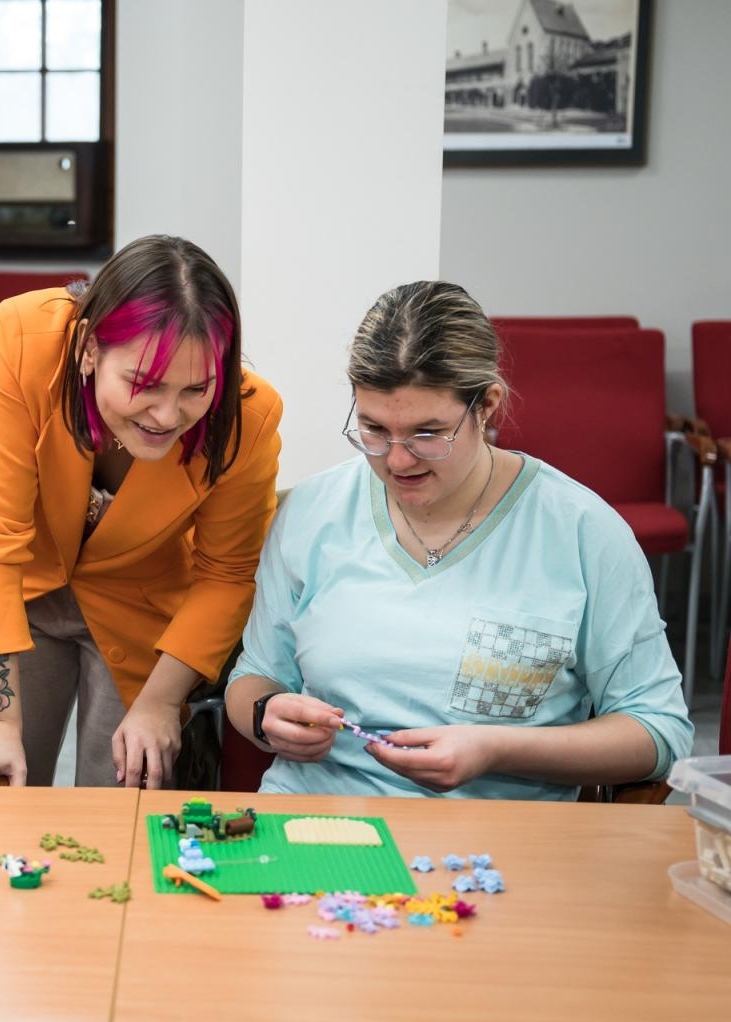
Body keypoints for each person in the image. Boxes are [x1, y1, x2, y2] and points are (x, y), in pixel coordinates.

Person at [225, 280, 694, 799]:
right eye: (374, 429)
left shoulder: (582, 532)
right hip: (316, 825)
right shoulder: (312, 514)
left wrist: (496, 749)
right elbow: (255, 677)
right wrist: (267, 713)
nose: (398, 461)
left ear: (487, 405)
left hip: (495, 848)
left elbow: (658, 730)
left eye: (429, 433)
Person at [0, 235, 283, 788]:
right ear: (90, 349)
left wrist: (163, 704)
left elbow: (227, 574)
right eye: (144, 384)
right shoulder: (25, 336)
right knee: (1, 775)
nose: (167, 416)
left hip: (139, 599)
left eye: (198, 388)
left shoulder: (249, 415)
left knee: (126, 787)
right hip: (19, 581)